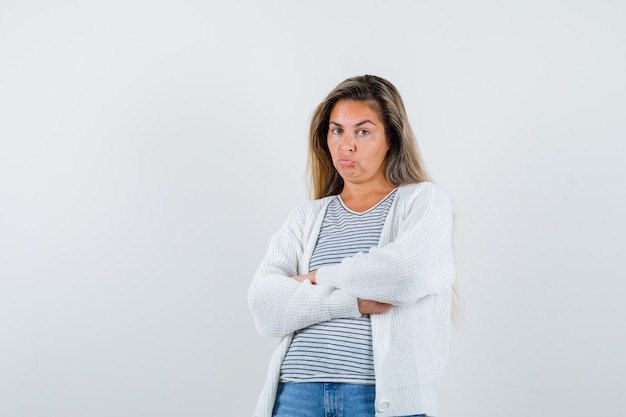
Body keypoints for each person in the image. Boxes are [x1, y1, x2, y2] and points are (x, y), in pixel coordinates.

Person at [248, 75, 455, 417]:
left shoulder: (422, 201)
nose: (346, 145)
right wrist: (352, 302)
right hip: (296, 396)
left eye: (363, 131)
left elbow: (403, 275)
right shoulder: (306, 217)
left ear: (390, 138)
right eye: (336, 130)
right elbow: (264, 306)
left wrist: (313, 278)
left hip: (377, 400)